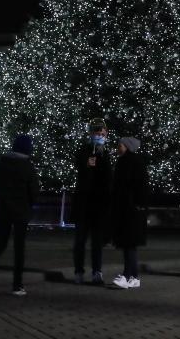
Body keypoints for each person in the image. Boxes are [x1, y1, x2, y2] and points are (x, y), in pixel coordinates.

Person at [0, 134, 40, 296]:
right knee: (19, 248)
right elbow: (34, 190)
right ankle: (17, 285)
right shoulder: (27, 166)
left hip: (4, 209)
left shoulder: (3, 163)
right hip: (21, 211)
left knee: (0, 244)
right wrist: (31, 203)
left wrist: (2, 198)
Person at [72, 117, 113, 285]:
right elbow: (80, 170)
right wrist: (87, 164)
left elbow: (109, 178)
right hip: (84, 203)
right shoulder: (84, 150)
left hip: (98, 205)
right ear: (91, 134)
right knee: (80, 241)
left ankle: (97, 272)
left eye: (102, 134)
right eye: (97, 133)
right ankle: (79, 271)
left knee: (97, 242)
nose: (100, 136)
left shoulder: (106, 154)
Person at [110, 136, 149, 289]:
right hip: (128, 208)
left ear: (127, 146)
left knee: (129, 243)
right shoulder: (127, 161)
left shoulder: (132, 162)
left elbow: (140, 185)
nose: (118, 147)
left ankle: (127, 276)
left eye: (120, 145)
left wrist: (138, 204)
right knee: (129, 244)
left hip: (130, 210)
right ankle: (134, 277)